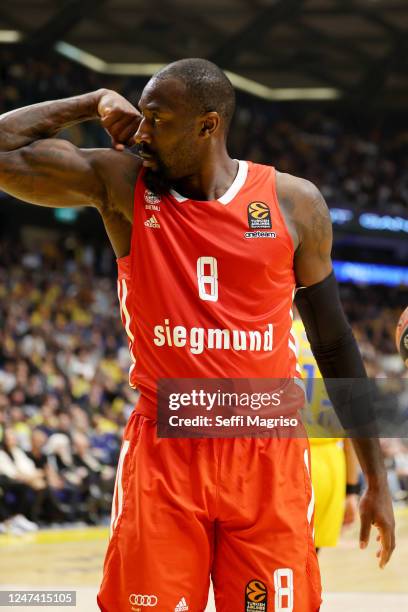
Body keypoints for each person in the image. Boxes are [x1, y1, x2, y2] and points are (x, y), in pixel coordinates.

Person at [0, 58, 395, 611]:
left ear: (208, 126)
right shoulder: (121, 184)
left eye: (157, 120)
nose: (140, 131)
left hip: (267, 453)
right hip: (166, 452)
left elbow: (333, 344)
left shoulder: (294, 203)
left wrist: (374, 477)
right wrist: (91, 102)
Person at [292, 316, 360, 550]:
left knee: (277, 564)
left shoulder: (280, 334)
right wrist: (351, 489)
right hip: (332, 462)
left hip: (289, 458)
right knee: (311, 562)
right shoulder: (341, 343)